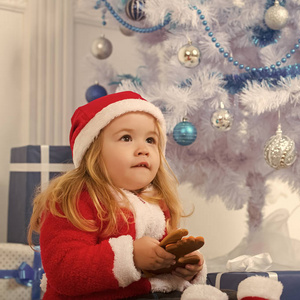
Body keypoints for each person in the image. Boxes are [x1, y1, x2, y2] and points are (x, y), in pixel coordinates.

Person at [28, 91, 206, 299]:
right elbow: (64, 270)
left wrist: (183, 267)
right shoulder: (73, 200)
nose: (143, 149)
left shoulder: (155, 202)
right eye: (126, 138)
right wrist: (130, 256)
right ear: (93, 152)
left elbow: (161, 261)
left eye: (151, 140)